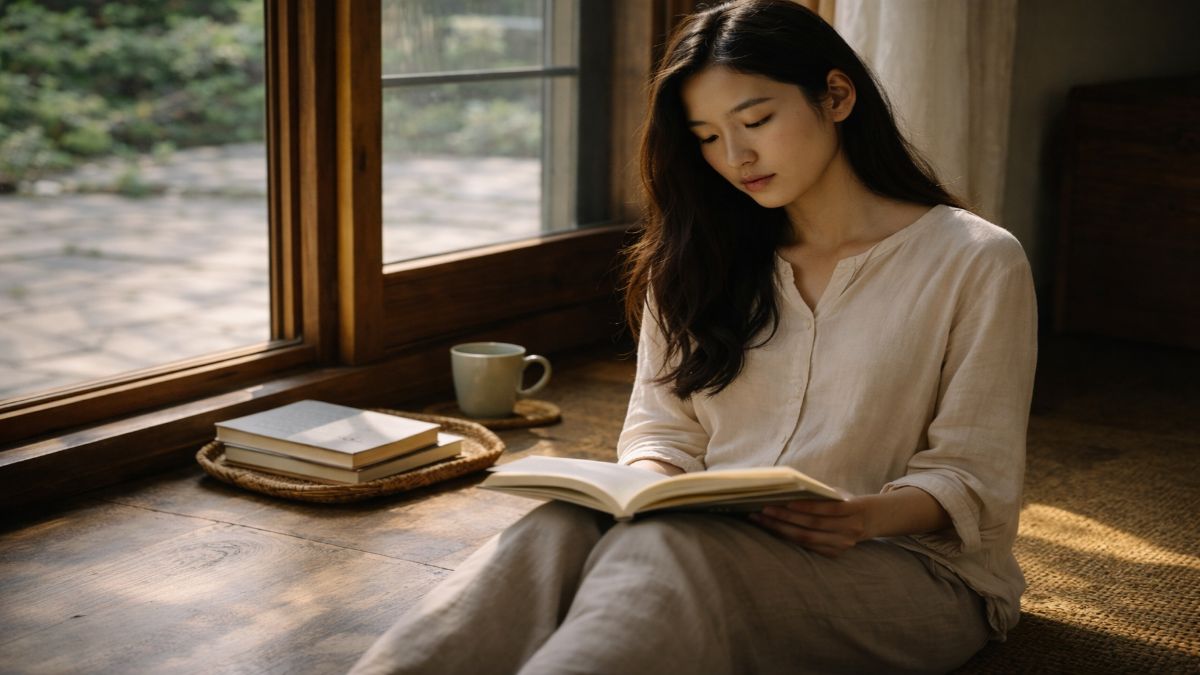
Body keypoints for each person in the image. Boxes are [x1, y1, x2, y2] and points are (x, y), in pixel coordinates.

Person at [350, 0, 1037, 673]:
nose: (735, 155)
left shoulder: (974, 259)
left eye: (756, 119)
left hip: (907, 567)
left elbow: (973, 475)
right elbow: (663, 434)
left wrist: (864, 516)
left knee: (670, 551)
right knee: (564, 524)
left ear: (835, 95)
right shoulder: (699, 257)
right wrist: (644, 492)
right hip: (711, 534)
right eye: (707, 136)